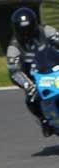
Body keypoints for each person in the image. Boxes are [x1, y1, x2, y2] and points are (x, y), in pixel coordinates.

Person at [7, 7, 59, 137]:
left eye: (29, 30)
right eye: (23, 31)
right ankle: (45, 120)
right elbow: (14, 71)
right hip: (36, 78)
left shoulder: (47, 30)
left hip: (55, 67)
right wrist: (28, 85)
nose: (27, 34)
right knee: (31, 99)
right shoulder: (14, 47)